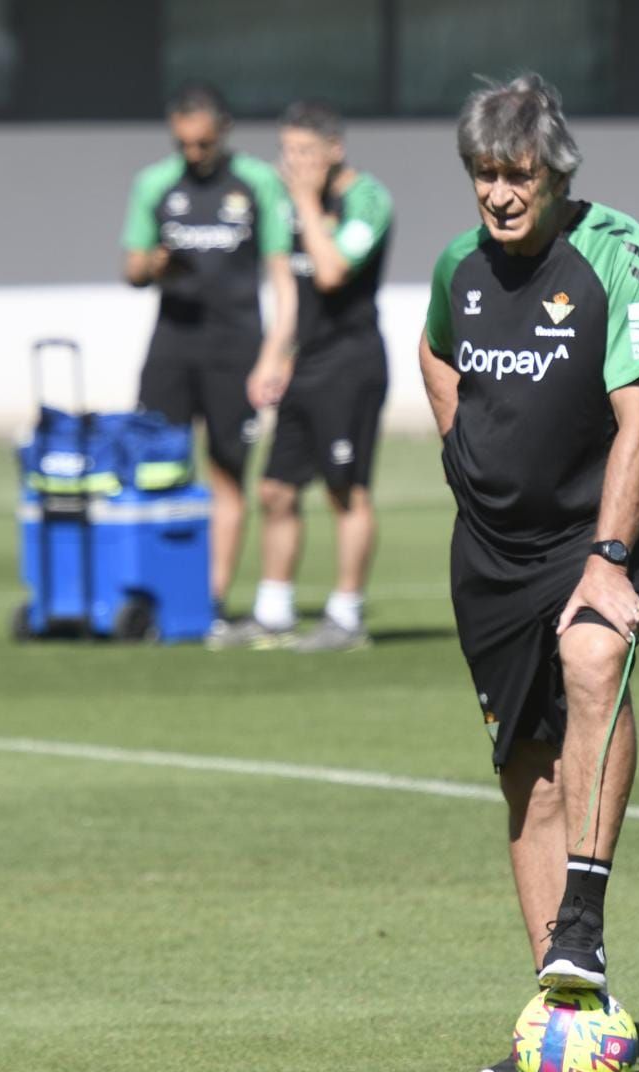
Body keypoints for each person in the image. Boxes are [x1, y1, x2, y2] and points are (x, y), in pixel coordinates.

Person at [416, 74, 639, 1072]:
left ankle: (585, 917)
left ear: (555, 171)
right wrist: (459, 454)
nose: (497, 194)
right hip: (488, 553)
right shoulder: (456, 265)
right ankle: (560, 1011)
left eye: (515, 173)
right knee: (527, 771)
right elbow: (435, 353)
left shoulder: (620, 253)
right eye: (482, 174)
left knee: (595, 656)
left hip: (585, 537)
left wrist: (608, 559)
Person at [215, 100, 394, 651]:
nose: (292, 162)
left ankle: (346, 616)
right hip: (304, 364)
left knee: (346, 491)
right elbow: (289, 287)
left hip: (352, 362)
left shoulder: (366, 199)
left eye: (304, 152)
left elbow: (334, 270)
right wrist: (273, 356)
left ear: (334, 150)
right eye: (286, 151)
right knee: (274, 489)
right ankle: (273, 613)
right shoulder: (285, 202)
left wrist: (305, 202)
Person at [121, 82, 297, 635]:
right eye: (183, 145)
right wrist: (155, 263)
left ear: (222, 132)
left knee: (226, 474)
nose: (192, 155)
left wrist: (275, 352)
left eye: (201, 144)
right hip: (172, 344)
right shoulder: (154, 183)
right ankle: (156, 592)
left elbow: (280, 272)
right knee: (155, 471)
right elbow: (132, 269)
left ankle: (209, 603)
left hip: (235, 346)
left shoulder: (257, 183)